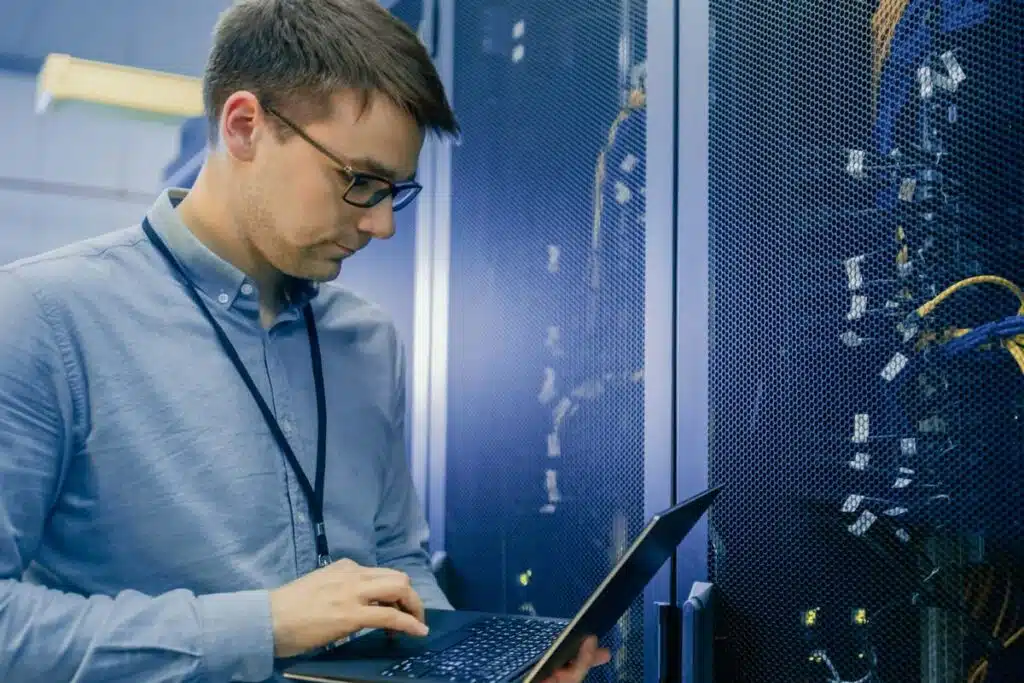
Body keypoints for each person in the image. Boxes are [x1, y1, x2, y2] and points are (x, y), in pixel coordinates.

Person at [0, 0, 611, 681]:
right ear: (244, 127)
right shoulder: (42, 317)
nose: (382, 226)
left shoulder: (368, 341)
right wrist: (261, 626)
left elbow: (398, 563)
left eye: (394, 192)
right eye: (359, 182)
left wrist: (468, 668)